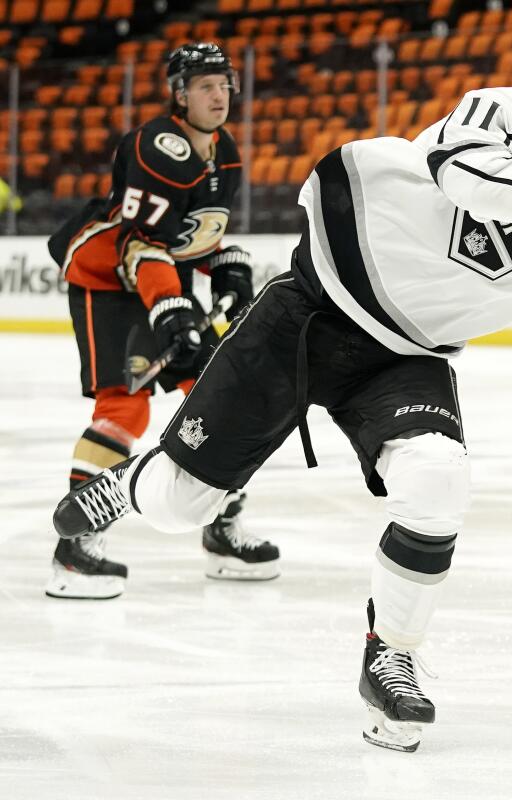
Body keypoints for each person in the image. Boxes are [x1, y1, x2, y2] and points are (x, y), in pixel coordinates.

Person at [50, 68, 512, 751]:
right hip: (310, 310)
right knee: (181, 506)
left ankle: (391, 654)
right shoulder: (503, 113)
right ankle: (136, 480)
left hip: (402, 355)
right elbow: (466, 173)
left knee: (437, 478)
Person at [42, 42, 278, 599]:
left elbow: (191, 239)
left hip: (157, 279)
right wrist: (171, 307)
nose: (218, 95)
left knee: (225, 397)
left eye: (224, 84)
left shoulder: (226, 154)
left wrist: (228, 267)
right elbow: (140, 245)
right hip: (107, 280)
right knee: (124, 408)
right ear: (179, 94)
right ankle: (76, 549)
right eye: (204, 86)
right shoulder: (156, 147)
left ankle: (220, 529)